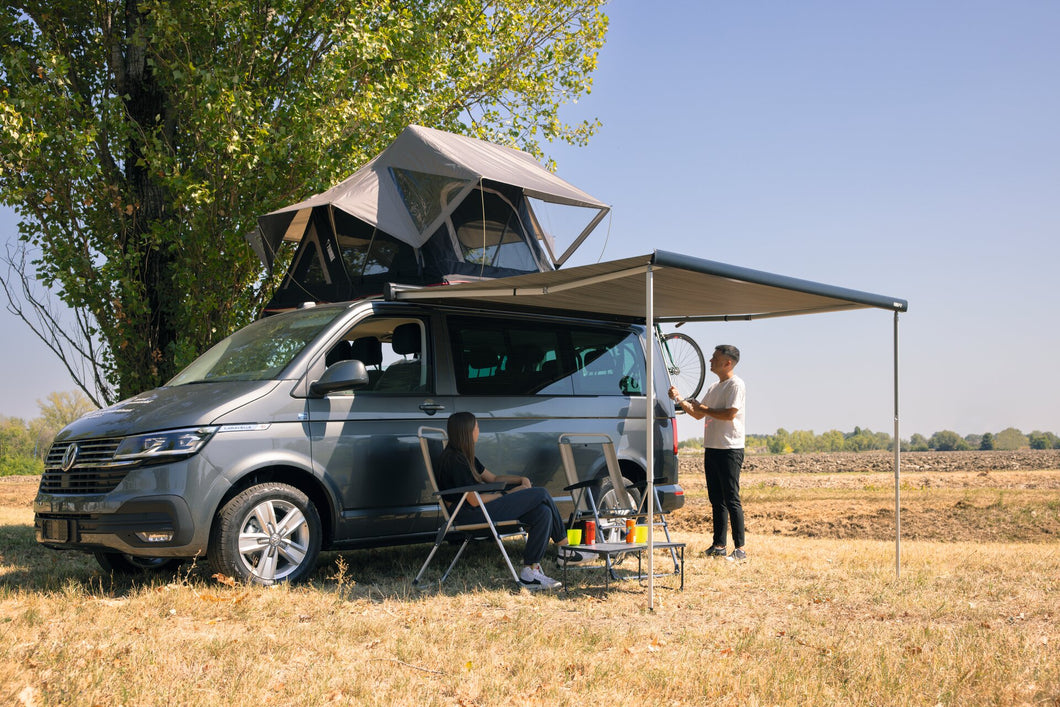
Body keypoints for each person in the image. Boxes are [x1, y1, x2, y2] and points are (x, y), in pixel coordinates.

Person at [436, 411, 586, 589]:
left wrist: (520, 479)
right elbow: (474, 501)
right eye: (476, 427)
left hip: (478, 509)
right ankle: (564, 547)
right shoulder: (454, 461)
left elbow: (492, 479)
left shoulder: (465, 457)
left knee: (542, 512)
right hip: (468, 514)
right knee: (541, 494)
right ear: (466, 431)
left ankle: (530, 571)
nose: (478, 430)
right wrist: (508, 494)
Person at [668, 345, 747, 561]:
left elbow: (730, 414)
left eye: (715, 358)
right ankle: (719, 545)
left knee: (731, 498)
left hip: (729, 449)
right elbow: (697, 414)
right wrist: (679, 399)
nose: (710, 361)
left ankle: (740, 549)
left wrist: (703, 409)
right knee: (716, 499)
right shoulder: (714, 387)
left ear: (727, 362)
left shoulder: (736, 385)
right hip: (712, 447)